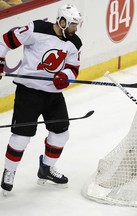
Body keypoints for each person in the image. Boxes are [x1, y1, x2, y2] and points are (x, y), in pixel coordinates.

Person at [0, 4, 82, 194]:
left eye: (77, 25)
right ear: (62, 21)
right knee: (21, 136)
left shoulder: (75, 43)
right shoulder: (36, 29)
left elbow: (74, 68)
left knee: (61, 134)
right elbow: (5, 41)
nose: (75, 29)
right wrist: (0, 61)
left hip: (53, 94)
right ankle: (9, 171)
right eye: (72, 25)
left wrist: (65, 77)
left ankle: (46, 169)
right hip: (29, 92)